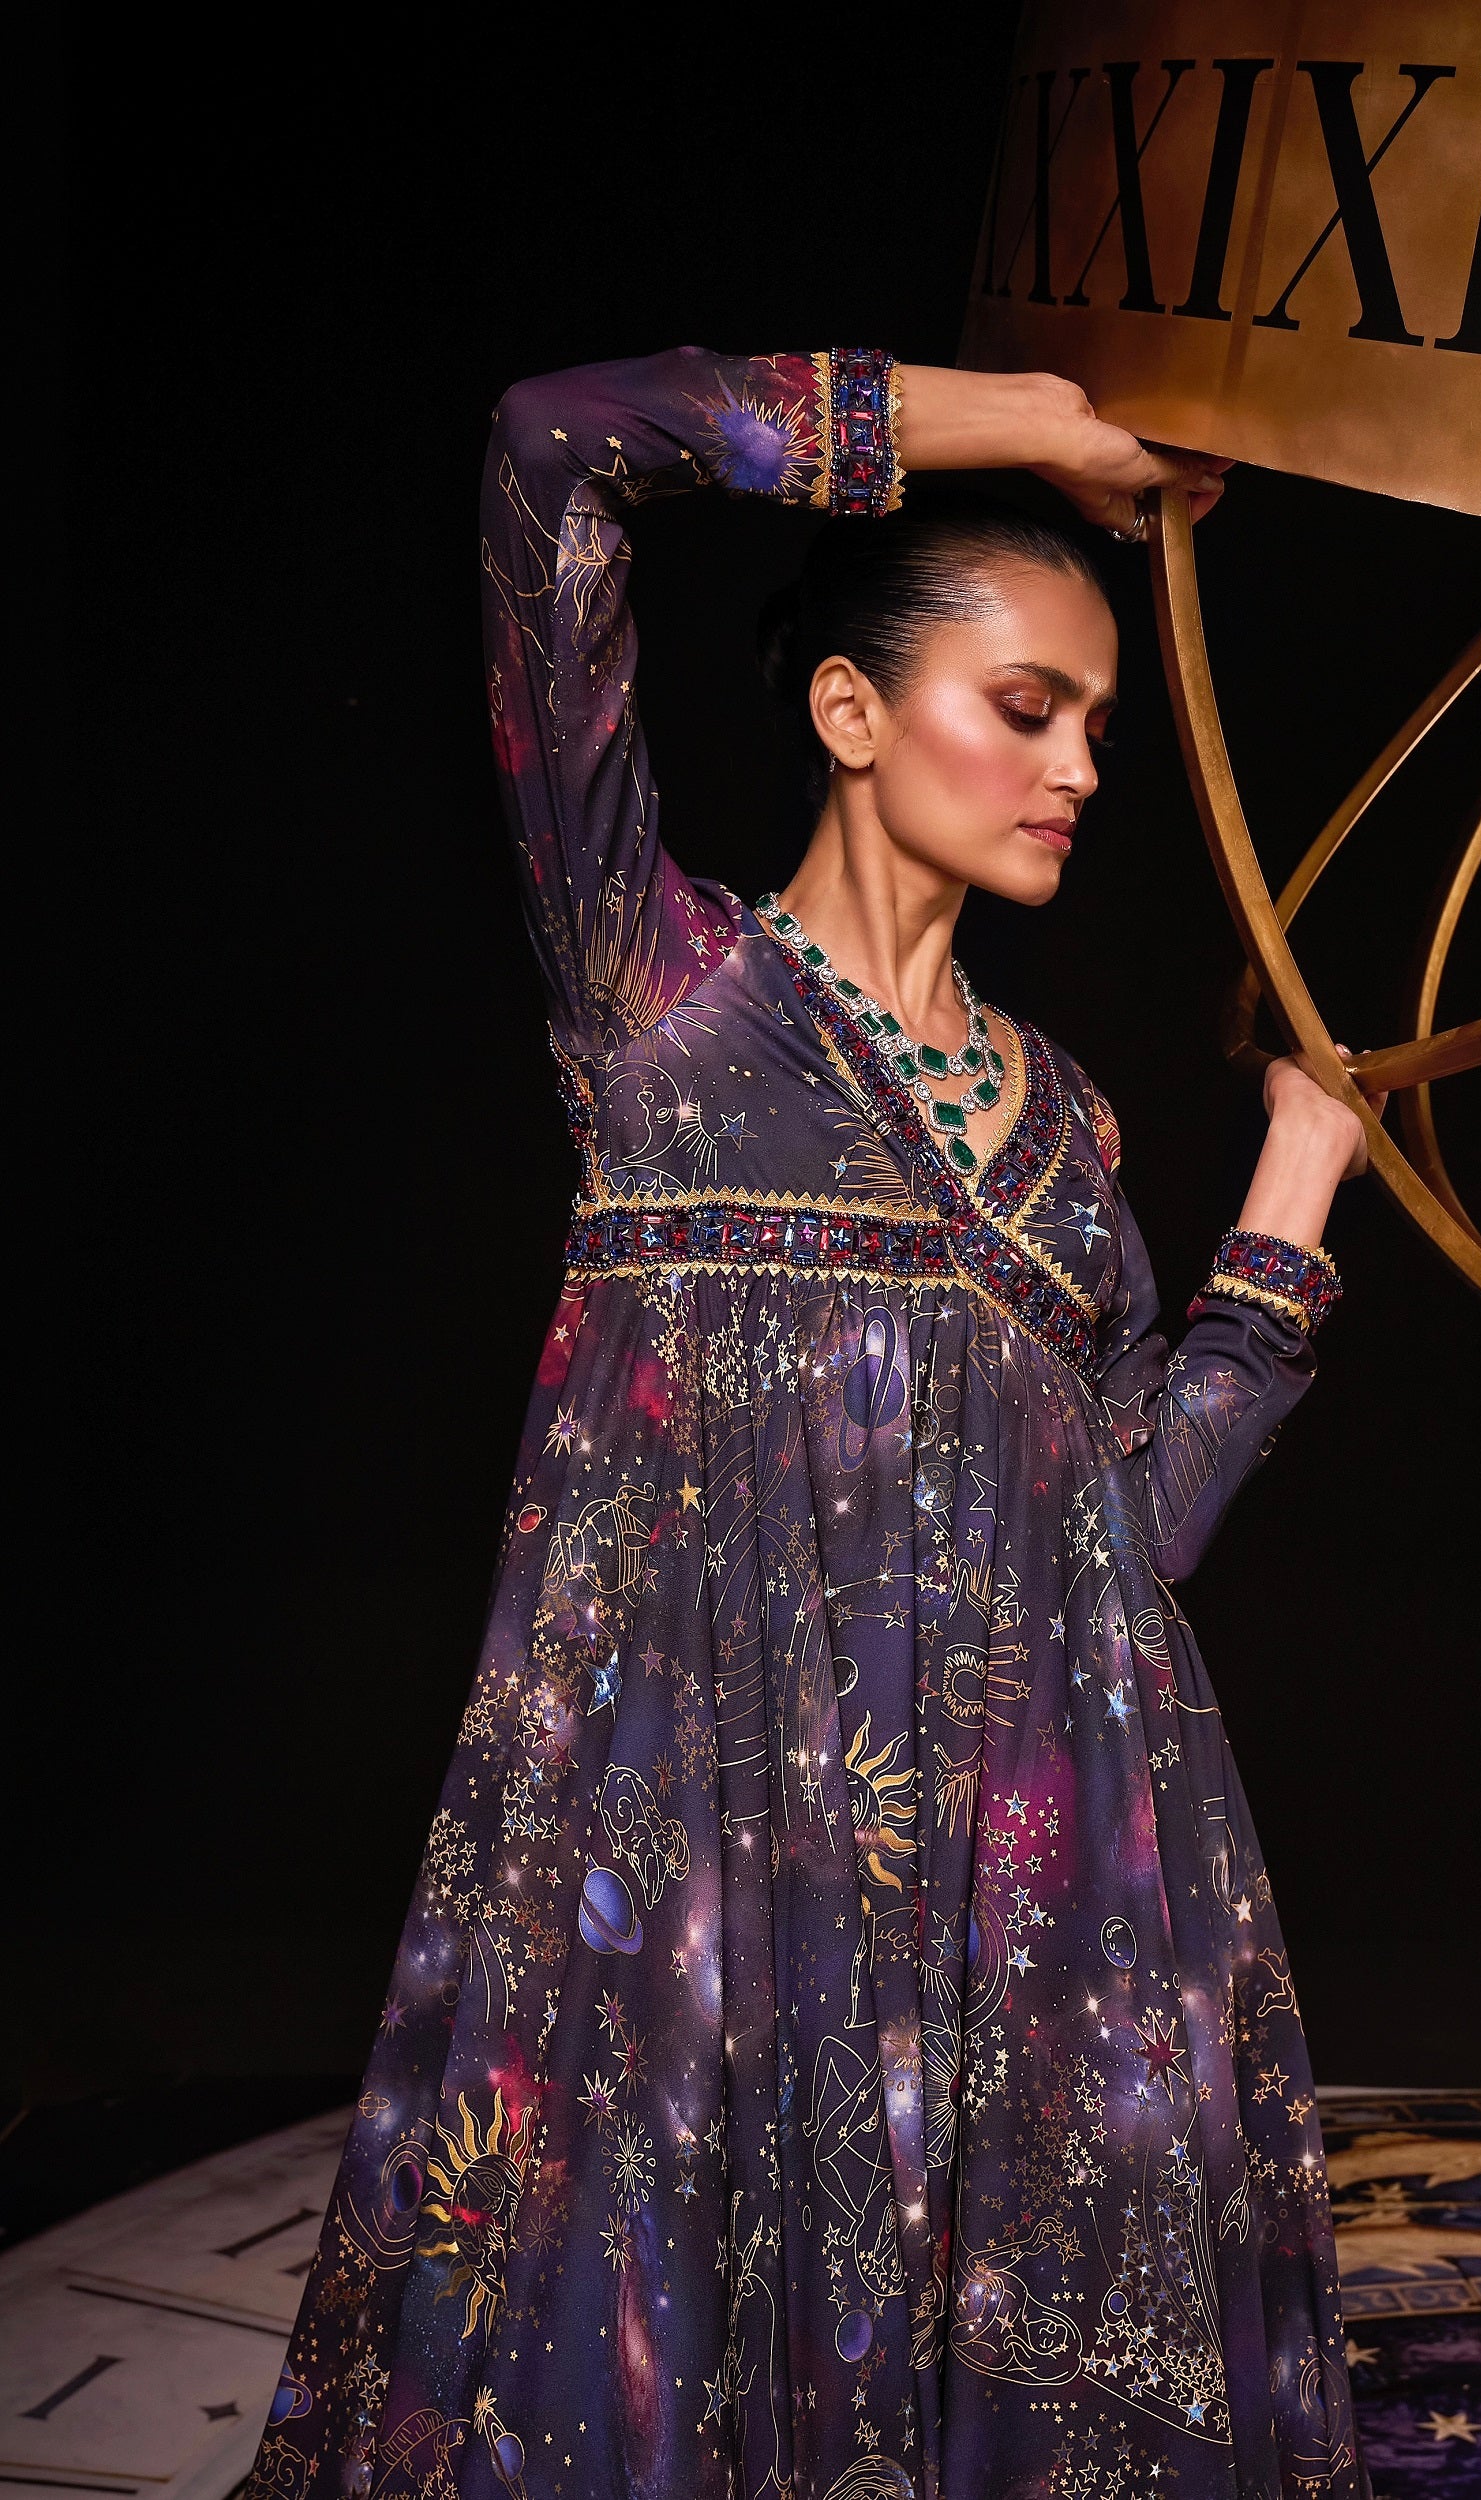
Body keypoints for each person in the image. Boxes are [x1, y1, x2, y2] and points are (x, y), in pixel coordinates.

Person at [250, 347, 1373, 2500]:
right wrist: (1033, 424)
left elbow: (1136, 1532)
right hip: (699, 1854)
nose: (1077, 766)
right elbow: (551, 454)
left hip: (1014, 1889)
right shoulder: (667, 996)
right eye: (1024, 706)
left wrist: (1291, 1189)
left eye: (1096, 726)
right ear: (853, 712)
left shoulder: (1064, 1130)